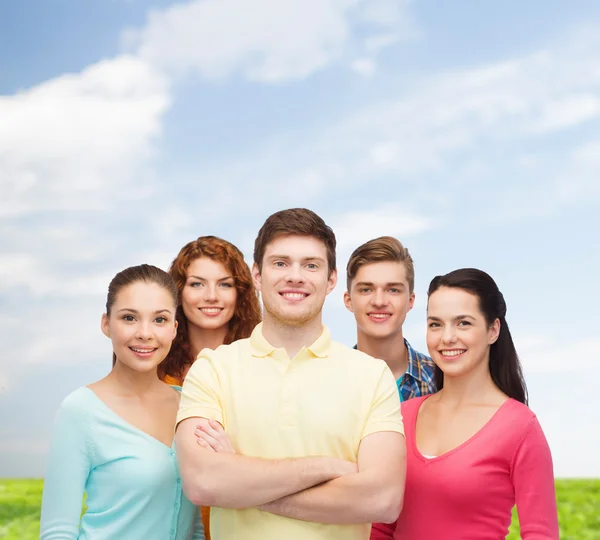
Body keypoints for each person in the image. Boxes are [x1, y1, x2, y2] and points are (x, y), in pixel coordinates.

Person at [175, 208, 406, 540]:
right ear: (257, 275)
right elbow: (203, 483)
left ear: (330, 280)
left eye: (310, 265)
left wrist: (242, 482)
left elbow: (383, 499)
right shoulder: (213, 368)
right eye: (280, 263)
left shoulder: (372, 376)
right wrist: (324, 469)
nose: (295, 276)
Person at [371, 268, 559, 540]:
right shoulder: (402, 415)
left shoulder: (521, 428)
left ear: (493, 329)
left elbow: (540, 534)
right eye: (435, 324)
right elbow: (380, 527)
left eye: (463, 323)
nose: (447, 337)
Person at [40, 264, 204, 540]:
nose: (145, 333)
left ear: (174, 328)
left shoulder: (188, 406)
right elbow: (58, 532)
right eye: (129, 318)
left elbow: (194, 524)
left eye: (159, 320)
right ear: (106, 324)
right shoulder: (80, 411)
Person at [159, 235, 261, 540]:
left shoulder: (261, 366)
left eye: (225, 284)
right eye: (197, 284)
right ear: (177, 292)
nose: (211, 296)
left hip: (244, 526)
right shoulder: (157, 373)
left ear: (240, 294)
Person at [344, 236, 435, 401]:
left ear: (410, 301)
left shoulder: (441, 380)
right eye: (366, 289)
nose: (379, 302)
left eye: (393, 290)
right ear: (348, 301)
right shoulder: (328, 380)